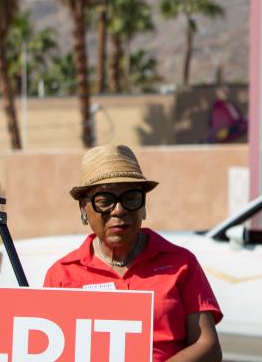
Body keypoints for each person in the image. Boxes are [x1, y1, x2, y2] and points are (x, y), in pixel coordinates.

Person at [44, 144, 222, 362]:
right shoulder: (62, 275)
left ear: (143, 206)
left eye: (130, 198)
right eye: (105, 201)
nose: (119, 210)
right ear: (83, 209)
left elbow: (208, 345)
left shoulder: (181, 263)